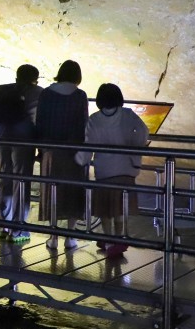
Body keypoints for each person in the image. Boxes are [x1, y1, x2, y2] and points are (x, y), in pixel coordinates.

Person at [75, 83, 149, 258]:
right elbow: (143, 132)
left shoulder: (94, 119)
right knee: (120, 207)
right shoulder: (128, 115)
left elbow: (88, 145)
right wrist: (135, 146)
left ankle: (108, 240)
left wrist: (79, 160)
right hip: (126, 169)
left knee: (106, 208)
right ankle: (120, 238)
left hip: (105, 171)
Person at [35, 59, 88, 251]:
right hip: (73, 151)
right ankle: (70, 237)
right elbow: (83, 124)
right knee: (73, 191)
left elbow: (39, 122)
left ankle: (53, 237)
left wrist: (40, 150)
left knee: (53, 191)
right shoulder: (80, 95)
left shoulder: (46, 94)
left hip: (50, 151)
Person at [0, 64, 43, 243]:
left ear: (17, 76)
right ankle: (18, 228)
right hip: (23, 138)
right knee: (21, 180)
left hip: (0, 135)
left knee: (6, 176)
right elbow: (42, 120)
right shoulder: (39, 92)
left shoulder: (1, 89)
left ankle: (3, 225)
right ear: (35, 79)